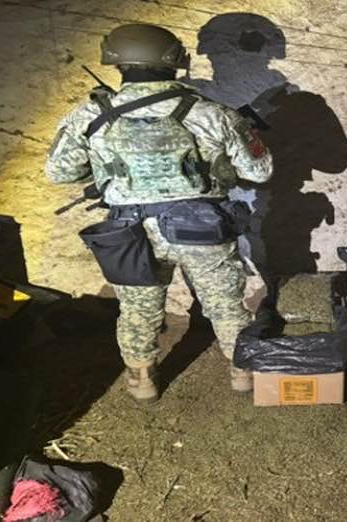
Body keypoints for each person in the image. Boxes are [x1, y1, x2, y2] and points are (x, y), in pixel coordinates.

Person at [46, 24, 273, 401]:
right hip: (201, 228)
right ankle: (242, 374)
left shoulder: (88, 114)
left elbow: (60, 173)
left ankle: (142, 381)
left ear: (116, 62)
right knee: (225, 304)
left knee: (138, 309)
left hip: (129, 229)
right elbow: (259, 171)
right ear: (175, 61)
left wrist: (106, 170)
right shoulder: (211, 113)